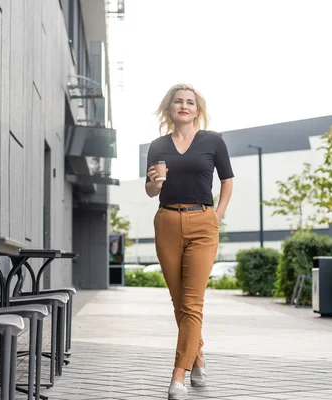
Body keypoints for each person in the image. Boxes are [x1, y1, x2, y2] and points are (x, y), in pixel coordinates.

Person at [145, 84, 234, 399]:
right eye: (178, 101)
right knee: (179, 301)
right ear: (169, 108)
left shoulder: (213, 141)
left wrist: (217, 215)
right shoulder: (157, 146)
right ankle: (197, 357)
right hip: (167, 221)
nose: (184, 106)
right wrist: (155, 183)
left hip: (202, 223)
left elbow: (227, 179)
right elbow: (150, 190)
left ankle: (177, 376)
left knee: (193, 302)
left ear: (198, 109)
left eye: (190, 102)